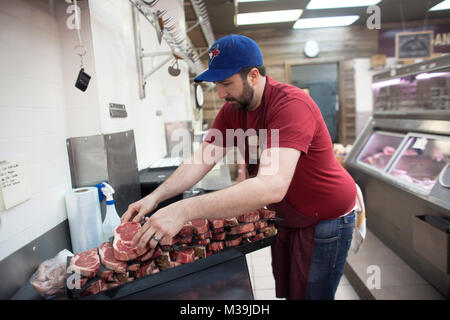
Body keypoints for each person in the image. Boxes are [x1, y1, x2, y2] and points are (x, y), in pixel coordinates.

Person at [122, 34, 357, 300]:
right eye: (217, 84)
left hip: (326, 217)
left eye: (226, 83)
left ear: (253, 76)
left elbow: (272, 186)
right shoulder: (234, 109)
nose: (221, 93)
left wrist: (182, 210)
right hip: (290, 218)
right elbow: (200, 160)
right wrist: (155, 197)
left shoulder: (290, 106)